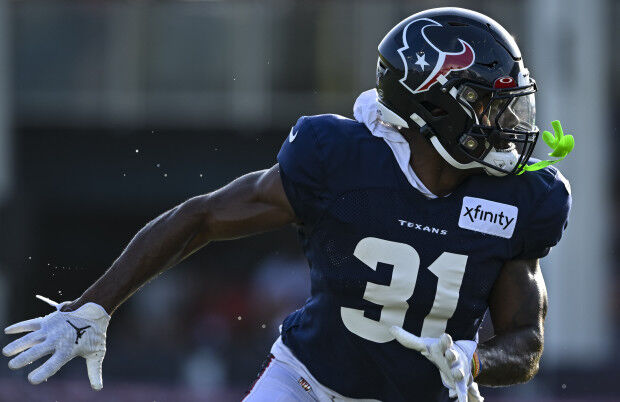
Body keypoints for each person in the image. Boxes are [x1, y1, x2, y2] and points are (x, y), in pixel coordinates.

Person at [2, 7, 571, 402]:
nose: (508, 123)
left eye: (508, 104)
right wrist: (92, 309)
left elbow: (525, 340)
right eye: (485, 104)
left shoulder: (524, 198)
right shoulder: (341, 161)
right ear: (433, 108)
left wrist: (472, 361)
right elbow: (200, 216)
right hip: (307, 384)